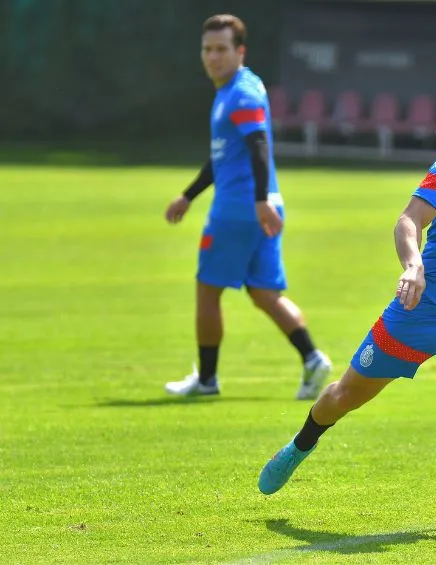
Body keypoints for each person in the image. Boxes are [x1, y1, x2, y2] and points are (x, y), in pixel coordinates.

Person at [256, 63, 436, 494]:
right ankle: (298, 447)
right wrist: (413, 265)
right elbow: (410, 219)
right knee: (344, 396)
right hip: (421, 313)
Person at [163, 14, 331, 400]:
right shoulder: (235, 90)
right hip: (260, 207)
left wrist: (256, 201)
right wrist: (189, 195)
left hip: (240, 209)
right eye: (207, 49)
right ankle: (312, 359)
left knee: (207, 292)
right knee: (264, 294)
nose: (213, 57)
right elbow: (225, 158)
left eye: (221, 49)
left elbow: (258, 145)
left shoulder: (240, 93)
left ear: (240, 51)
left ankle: (206, 381)